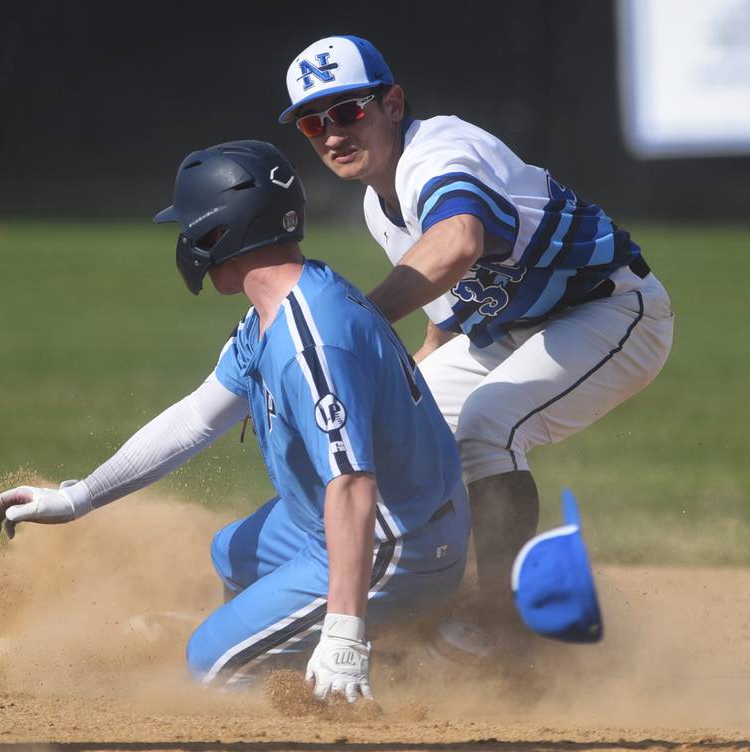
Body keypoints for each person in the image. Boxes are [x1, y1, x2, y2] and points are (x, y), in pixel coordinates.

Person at [0, 140, 470, 702]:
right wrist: (78, 498)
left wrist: (344, 633)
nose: (186, 240)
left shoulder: (310, 343)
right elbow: (195, 419)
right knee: (232, 555)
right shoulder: (280, 308)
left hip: (400, 542)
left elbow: (354, 484)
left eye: (191, 226)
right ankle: (272, 634)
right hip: (360, 516)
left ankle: (387, 662)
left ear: (221, 232)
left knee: (210, 667)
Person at [278, 36, 674, 648]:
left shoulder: (442, 152)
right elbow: (445, 318)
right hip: (508, 330)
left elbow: (459, 240)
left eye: (348, 110)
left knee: (489, 426)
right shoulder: (377, 205)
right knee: (394, 431)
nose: (332, 133)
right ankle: (410, 599)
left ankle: (510, 633)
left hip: (612, 309)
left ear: (392, 103)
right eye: (313, 121)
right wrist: (392, 390)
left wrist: (352, 324)